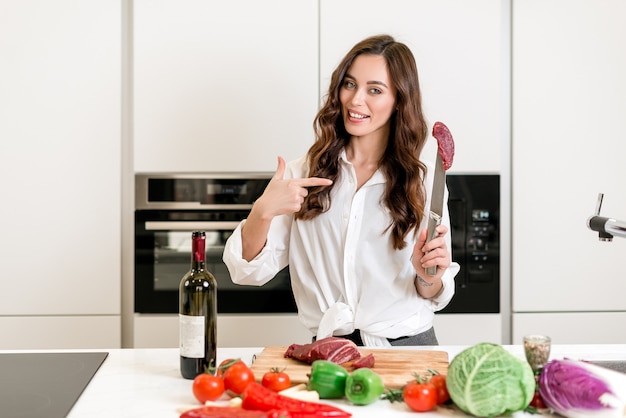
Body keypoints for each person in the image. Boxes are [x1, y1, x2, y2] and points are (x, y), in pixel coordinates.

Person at [223, 34, 460, 347]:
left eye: (374, 90)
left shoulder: (424, 180)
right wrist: (262, 211)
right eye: (349, 84)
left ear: (399, 100)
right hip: (329, 351)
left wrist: (429, 274)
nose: (355, 99)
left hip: (409, 349)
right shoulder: (302, 174)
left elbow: (433, 292)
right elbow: (247, 272)